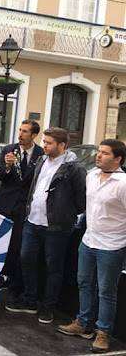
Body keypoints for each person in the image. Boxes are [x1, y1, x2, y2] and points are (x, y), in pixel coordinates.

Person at [5, 127, 86, 325]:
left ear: (62, 145)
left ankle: (48, 306)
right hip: (32, 220)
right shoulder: (42, 160)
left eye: (49, 143)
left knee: (53, 266)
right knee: (26, 259)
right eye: (44, 141)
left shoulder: (74, 168)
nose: (44, 146)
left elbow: (82, 199)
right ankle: (30, 299)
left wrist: (65, 214)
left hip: (56, 227)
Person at [58, 139, 126, 353]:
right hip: (88, 241)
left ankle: (103, 332)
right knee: (84, 283)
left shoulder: (123, 183)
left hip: (112, 245)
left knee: (106, 291)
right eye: (98, 151)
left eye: (104, 153)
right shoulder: (92, 176)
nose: (98, 155)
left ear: (117, 159)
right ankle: (83, 323)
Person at [0, 119, 44, 298]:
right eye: (20, 130)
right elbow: (1, 175)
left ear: (34, 135)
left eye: (25, 132)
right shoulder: (9, 150)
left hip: (24, 207)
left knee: (18, 246)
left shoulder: (40, 154)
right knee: (0, 243)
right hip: (6, 205)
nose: (20, 135)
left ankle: (15, 283)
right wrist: (7, 166)